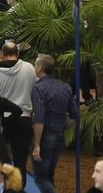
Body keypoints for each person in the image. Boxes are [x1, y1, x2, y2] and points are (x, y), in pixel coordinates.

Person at [31, 54, 79, 193]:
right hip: (60, 135)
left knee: (40, 178)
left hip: (46, 136)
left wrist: (37, 144)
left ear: (39, 68)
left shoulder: (39, 88)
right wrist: (64, 125)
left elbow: (39, 118)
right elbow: (75, 114)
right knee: (48, 175)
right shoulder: (65, 87)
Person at [0, 42, 36, 186]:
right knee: (20, 162)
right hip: (24, 118)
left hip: (3, 121)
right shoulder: (29, 68)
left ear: (2, 54)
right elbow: (35, 90)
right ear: (17, 53)